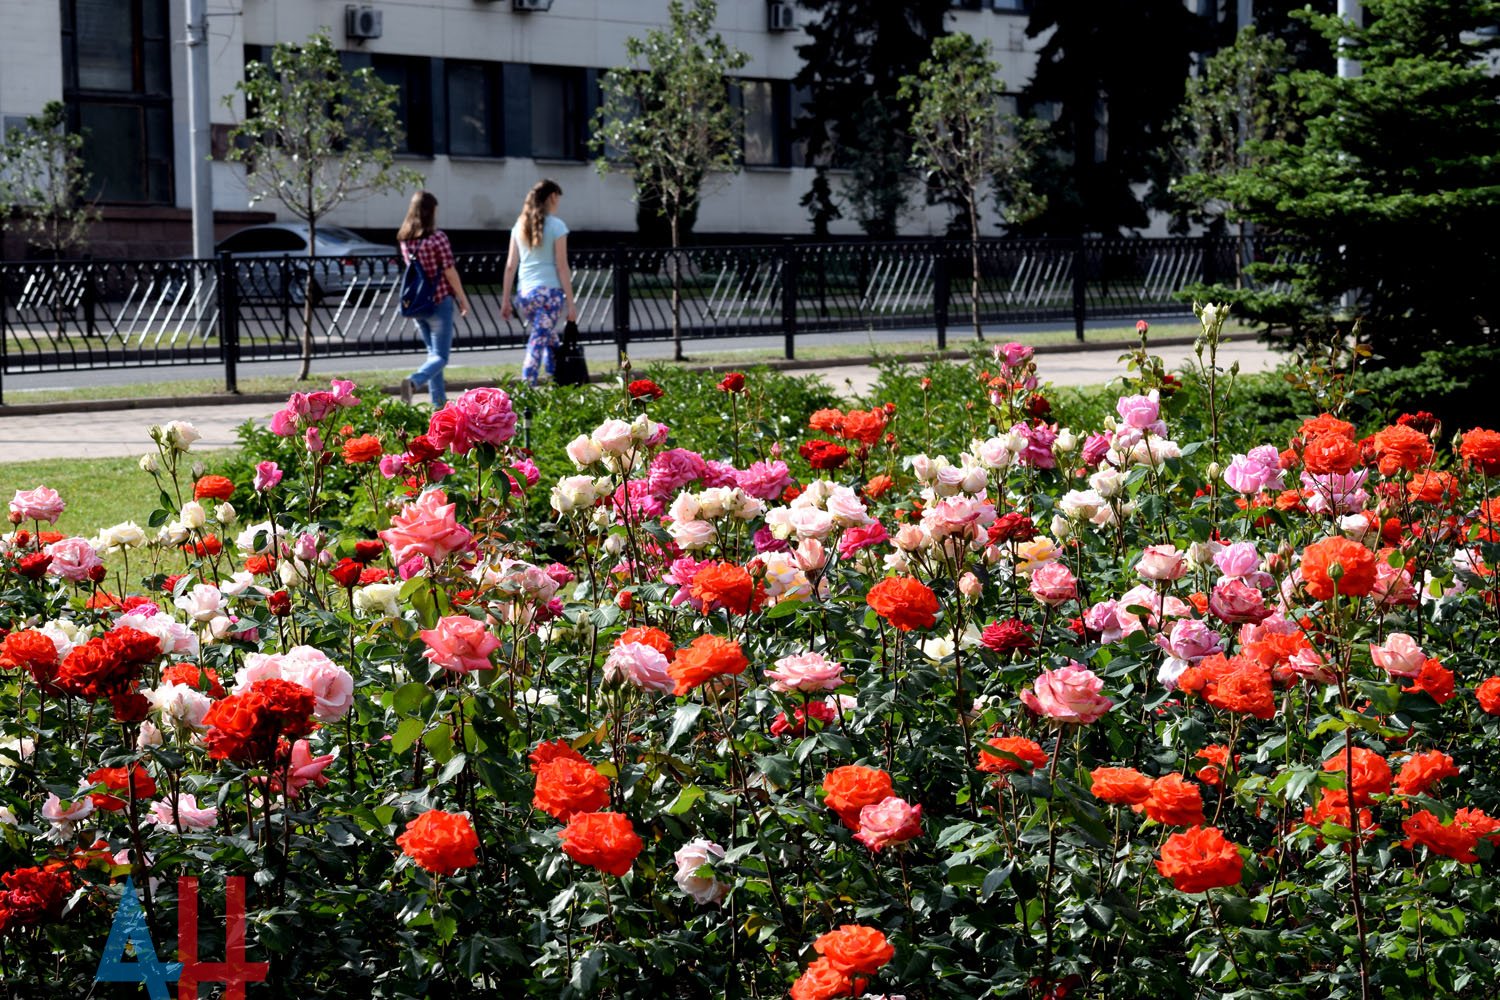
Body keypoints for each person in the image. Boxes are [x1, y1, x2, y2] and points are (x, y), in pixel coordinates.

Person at [397, 191, 470, 407]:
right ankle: (413, 381)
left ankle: (439, 404)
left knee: (433, 355)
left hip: (418, 304)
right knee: (441, 357)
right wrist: (462, 298)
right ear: (431, 212)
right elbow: (449, 270)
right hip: (439, 301)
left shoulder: (405, 239)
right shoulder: (438, 238)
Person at [501, 179, 577, 386]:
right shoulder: (557, 226)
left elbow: (510, 266)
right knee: (538, 340)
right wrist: (571, 303)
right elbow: (562, 266)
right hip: (549, 294)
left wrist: (506, 300)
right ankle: (527, 386)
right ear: (552, 197)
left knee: (549, 339)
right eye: (558, 198)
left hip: (525, 295)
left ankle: (557, 382)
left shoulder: (519, 226)